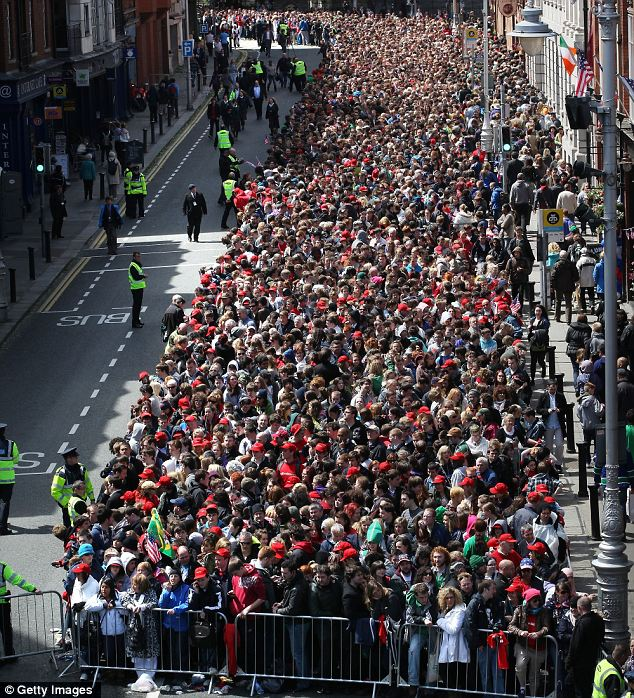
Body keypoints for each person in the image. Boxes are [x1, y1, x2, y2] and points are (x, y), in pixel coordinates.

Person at [507, 587, 551, 696]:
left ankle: (533, 694)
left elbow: (546, 627)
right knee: (520, 666)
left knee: (534, 673)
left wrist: (538, 634)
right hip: (523, 645)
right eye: (534, 600)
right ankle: (522, 687)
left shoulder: (544, 611)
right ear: (528, 601)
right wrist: (520, 632)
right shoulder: (520, 610)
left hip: (538, 647)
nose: (537, 603)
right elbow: (511, 626)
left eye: (538, 600)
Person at [121, 573, 160, 688]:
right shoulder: (130, 593)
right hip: (134, 627)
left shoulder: (150, 592)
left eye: (136, 584)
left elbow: (154, 603)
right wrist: (129, 606)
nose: (133, 587)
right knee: (136, 650)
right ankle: (139, 676)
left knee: (149, 650)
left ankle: (150, 676)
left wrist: (143, 607)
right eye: (133, 584)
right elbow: (124, 601)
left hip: (148, 626)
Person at [565, 595, 605, 698]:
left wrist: (568, 662)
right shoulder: (598, 620)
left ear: (579, 608)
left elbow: (575, 645)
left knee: (574, 689)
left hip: (579, 665)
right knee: (586, 689)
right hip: (591, 661)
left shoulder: (582, 623)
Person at [0, 561, 40, 661]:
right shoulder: (2, 567)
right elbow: (17, 580)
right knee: (6, 631)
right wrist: (33, 589)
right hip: (2, 605)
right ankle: (9, 656)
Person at [51, 447, 95, 526]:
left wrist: (92, 499)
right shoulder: (61, 473)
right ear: (69, 459)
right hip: (67, 507)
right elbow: (55, 492)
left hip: (81, 504)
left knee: (83, 526)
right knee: (69, 527)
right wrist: (68, 503)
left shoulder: (82, 469)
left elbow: (88, 485)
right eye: (75, 457)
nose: (77, 458)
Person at [436, 586, 469, 691]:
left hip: (457, 648)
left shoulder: (459, 611)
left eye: (451, 597)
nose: (449, 600)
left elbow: (453, 629)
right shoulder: (445, 610)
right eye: (447, 598)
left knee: (455, 680)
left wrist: (440, 621)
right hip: (448, 647)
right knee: (446, 676)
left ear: (456, 598)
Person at [536, 380, 568, 466]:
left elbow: (565, 408)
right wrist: (547, 411)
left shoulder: (560, 396)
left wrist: (559, 410)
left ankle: (558, 463)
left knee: (559, 445)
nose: (552, 391)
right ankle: (549, 463)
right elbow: (538, 409)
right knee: (548, 446)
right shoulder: (543, 396)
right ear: (547, 387)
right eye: (551, 389)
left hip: (558, 425)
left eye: (554, 389)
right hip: (548, 425)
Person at [551, 250, 579, 324]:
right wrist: (572, 280)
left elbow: (553, 277)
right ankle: (568, 320)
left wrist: (552, 286)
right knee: (568, 303)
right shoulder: (571, 265)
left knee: (558, 302)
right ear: (567, 256)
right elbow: (576, 276)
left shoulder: (556, 265)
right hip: (569, 286)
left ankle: (557, 317)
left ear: (560, 256)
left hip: (558, 286)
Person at [0, 422, 18, 536]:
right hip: (7, 480)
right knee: (4, 503)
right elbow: (16, 459)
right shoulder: (11, 444)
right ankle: (2, 527)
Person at [128, 251, 147, 329]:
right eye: (137, 257)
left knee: (138, 306)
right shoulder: (133, 266)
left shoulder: (136, 264)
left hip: (139, 287)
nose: (139, 258)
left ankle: (137, 321)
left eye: (139, 256)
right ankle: (135, 323)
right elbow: (136, 277)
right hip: (135, 288)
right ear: (134, 257)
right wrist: (143, 276)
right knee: (136, 306)